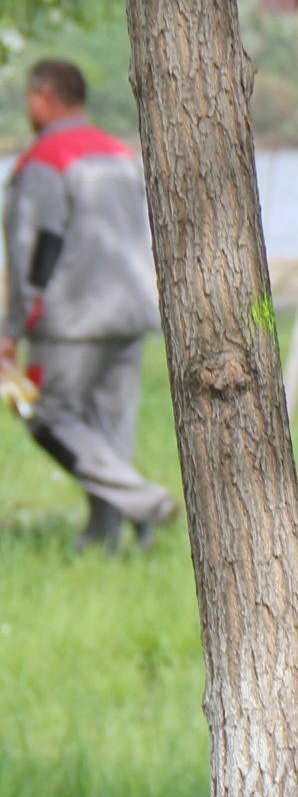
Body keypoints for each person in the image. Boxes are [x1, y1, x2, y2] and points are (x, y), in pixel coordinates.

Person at [4, 58, 177, 551]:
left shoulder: (44, 160)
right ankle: (104, 539)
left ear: (43, 97)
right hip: (131, 311)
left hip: (71, 319)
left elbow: (33, 251)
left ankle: (145, 502)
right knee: (109, 429)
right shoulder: (121, 155)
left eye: (29, 97)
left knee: (47, 418)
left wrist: (11, 328)